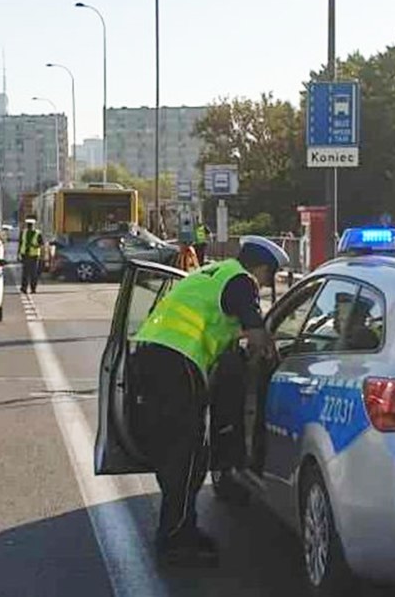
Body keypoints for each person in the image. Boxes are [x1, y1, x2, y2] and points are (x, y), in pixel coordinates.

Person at [130, 235, 290, 567]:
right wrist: (271, 356)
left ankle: (182, 529)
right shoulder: (241, 282)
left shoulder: (214, 272)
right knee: (186, 454)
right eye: (268, 277)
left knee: (184, 452)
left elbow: (226, 328)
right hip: (178, 361)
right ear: (261, 268)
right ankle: (174, 539)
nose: (264, 284)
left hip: (151, 356)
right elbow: (257, 334)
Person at [18, 217, 43, 294]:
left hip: (34, 256)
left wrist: (35, 246)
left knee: (33, 273)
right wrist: (18, 253)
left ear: (33, 225)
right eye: (28, 225)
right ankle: (24, 288)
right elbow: (21, 243)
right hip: (25, 255)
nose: (29, 226)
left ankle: (33, 288)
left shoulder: (37, 233)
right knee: (25, 273)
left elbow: (41, 244)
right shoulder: (23, 233)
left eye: (31, 225)